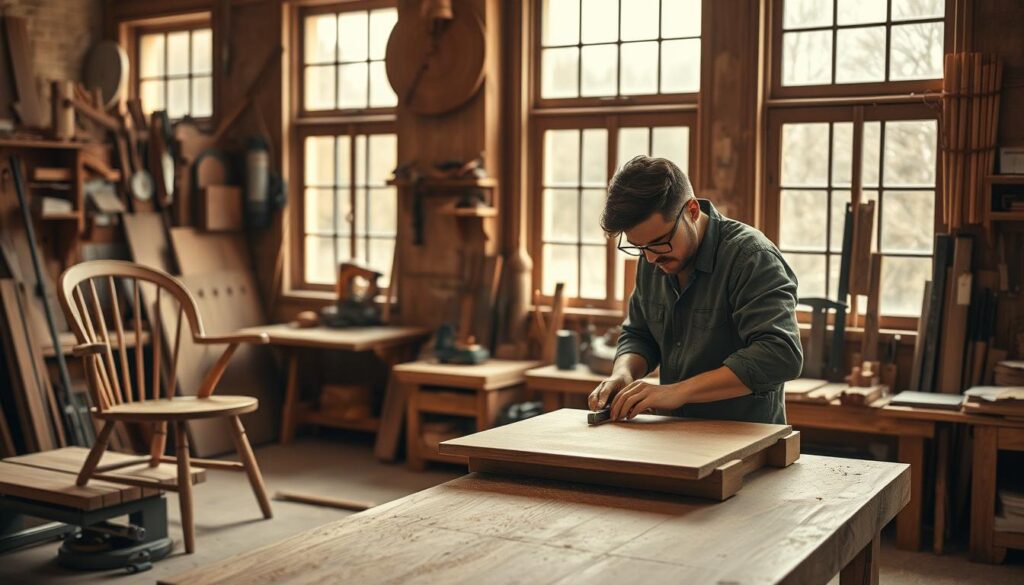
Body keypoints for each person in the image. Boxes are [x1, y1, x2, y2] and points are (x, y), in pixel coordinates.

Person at [587, 155, 802, 424]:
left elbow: (781, 355)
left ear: (691, 210)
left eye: (659, 243)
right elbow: (639, 334)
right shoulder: (652, 257)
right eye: (640, 247)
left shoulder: (751, 257)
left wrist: (678, 392)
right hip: (673, 439)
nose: (651, 259)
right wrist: (623, 373)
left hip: (746, 441)